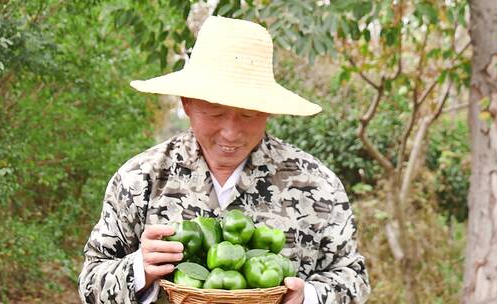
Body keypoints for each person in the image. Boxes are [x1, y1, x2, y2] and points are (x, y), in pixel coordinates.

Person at [78, 16, 370, 304]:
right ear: (187, 104)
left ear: (268, 111)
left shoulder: (316, 184)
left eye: (248, 115)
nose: (231, 133)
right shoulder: (141, 179)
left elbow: (353, 278)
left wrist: (309, 297)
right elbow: (90, 282)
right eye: (215, 113)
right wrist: (139, 270)